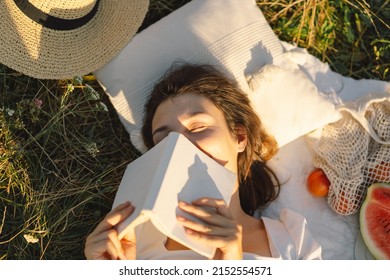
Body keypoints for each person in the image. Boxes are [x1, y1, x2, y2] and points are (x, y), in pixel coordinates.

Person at [84, 63, 322, 260]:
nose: (181, 146)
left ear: (239, 137)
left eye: (198, 127)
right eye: (166, 139)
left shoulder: (293, 239)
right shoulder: (129, 241)